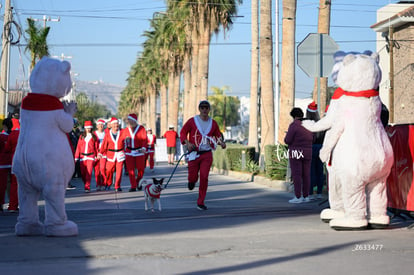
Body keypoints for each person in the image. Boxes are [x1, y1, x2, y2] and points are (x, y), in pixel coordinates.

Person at [180, 100, 226, 210]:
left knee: (204, 177)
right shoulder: (192, 121)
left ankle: (200, 202)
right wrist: (187, 143)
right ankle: (191, 181)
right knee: (193, 176)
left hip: (206, 154)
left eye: (206, 108)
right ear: (199, 109)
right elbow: (183, 132)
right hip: (193, 154)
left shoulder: (213, 123)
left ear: (209, 110)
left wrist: (222, 143)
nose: (204, 110)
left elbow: (218, 136)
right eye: (202, 108)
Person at [284, 107, 313, 203]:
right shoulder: (308, 125)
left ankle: (298, 197)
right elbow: (313, 138)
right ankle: (306, 196)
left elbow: (287, 140)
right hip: (308, 152)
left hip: (296, 152)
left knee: (297, 174)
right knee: (306, 175)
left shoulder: (294, 125)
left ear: (294, 116)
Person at [120, 114, 147, 192]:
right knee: (130, 170)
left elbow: (144, 139)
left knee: (141, 169)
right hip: (129, 152)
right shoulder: (125, 130)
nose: (128, 121)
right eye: (128, 120)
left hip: (139, 151)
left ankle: (138, 182)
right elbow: (121, 141)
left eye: (129, 120)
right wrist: (121, 150)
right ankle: (133, 186)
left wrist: (144, 148)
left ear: (134, 120)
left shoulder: (141, 129)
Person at [306, 101, 326, 200]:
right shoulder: (321, 123)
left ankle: (310, 193)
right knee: (320, 171)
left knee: (311, 171)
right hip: (321, 147)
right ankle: (319, 192)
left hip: (310, 148)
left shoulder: (307, 124)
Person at [99, 117, 125, 191]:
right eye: (114, 124)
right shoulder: (107, 134)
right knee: (109, 170)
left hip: (120, 154)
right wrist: (100, 153)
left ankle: (117, 186)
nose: (115, 125)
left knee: (119, 171)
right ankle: (108, 183)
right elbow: (104, 144)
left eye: (117, 124)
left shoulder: (122, 132)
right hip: (111, 154)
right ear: (111, 125)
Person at [74, 121, 99, 193]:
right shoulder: (81, 136)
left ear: (91, 128)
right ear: (85, 128)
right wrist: (76, 157)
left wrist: (97, 155)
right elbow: (78, 147)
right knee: (83, 173)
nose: (88, 129)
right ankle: (86, 183)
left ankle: (87, 187)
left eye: (89, 128)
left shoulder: (94, 137)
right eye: (87, 128)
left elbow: (96, 147)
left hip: (91, 156)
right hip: (82, 157)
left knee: (89, 172)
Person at [0, 118, 14, 212]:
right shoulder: (15, 135)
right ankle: (12, 203)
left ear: (4, 126)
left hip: (2, 163)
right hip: (13, 162)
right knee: (12, 184)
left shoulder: (1, 136)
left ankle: (1, 204)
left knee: (2, 185)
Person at [94, 119, 106, 191]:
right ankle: (98, 184)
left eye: (102, 125)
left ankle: (104, 184)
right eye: (99, 124)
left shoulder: (106, 133)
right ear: (97, 126)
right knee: (97, 171)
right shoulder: (94, 134)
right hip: (96, 154)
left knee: (102, 169)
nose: (100, 126)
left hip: (103, 154)